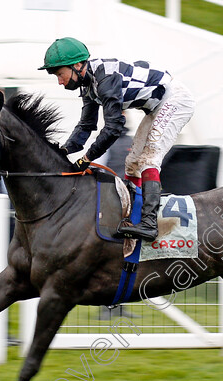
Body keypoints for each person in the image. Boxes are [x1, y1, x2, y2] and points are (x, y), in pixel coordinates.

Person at [39, 37, 195, 241]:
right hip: (155, 107)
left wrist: (87, 158)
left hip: (175, 100)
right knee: (132, 164)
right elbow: (86, 126)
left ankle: (149, 224)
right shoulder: (89, 85)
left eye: (60, 74)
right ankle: (133, 217)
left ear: (77, 65)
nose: (60, 81)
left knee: (149, 160)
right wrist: (62, 152)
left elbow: (113, 128)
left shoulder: (105, 79)